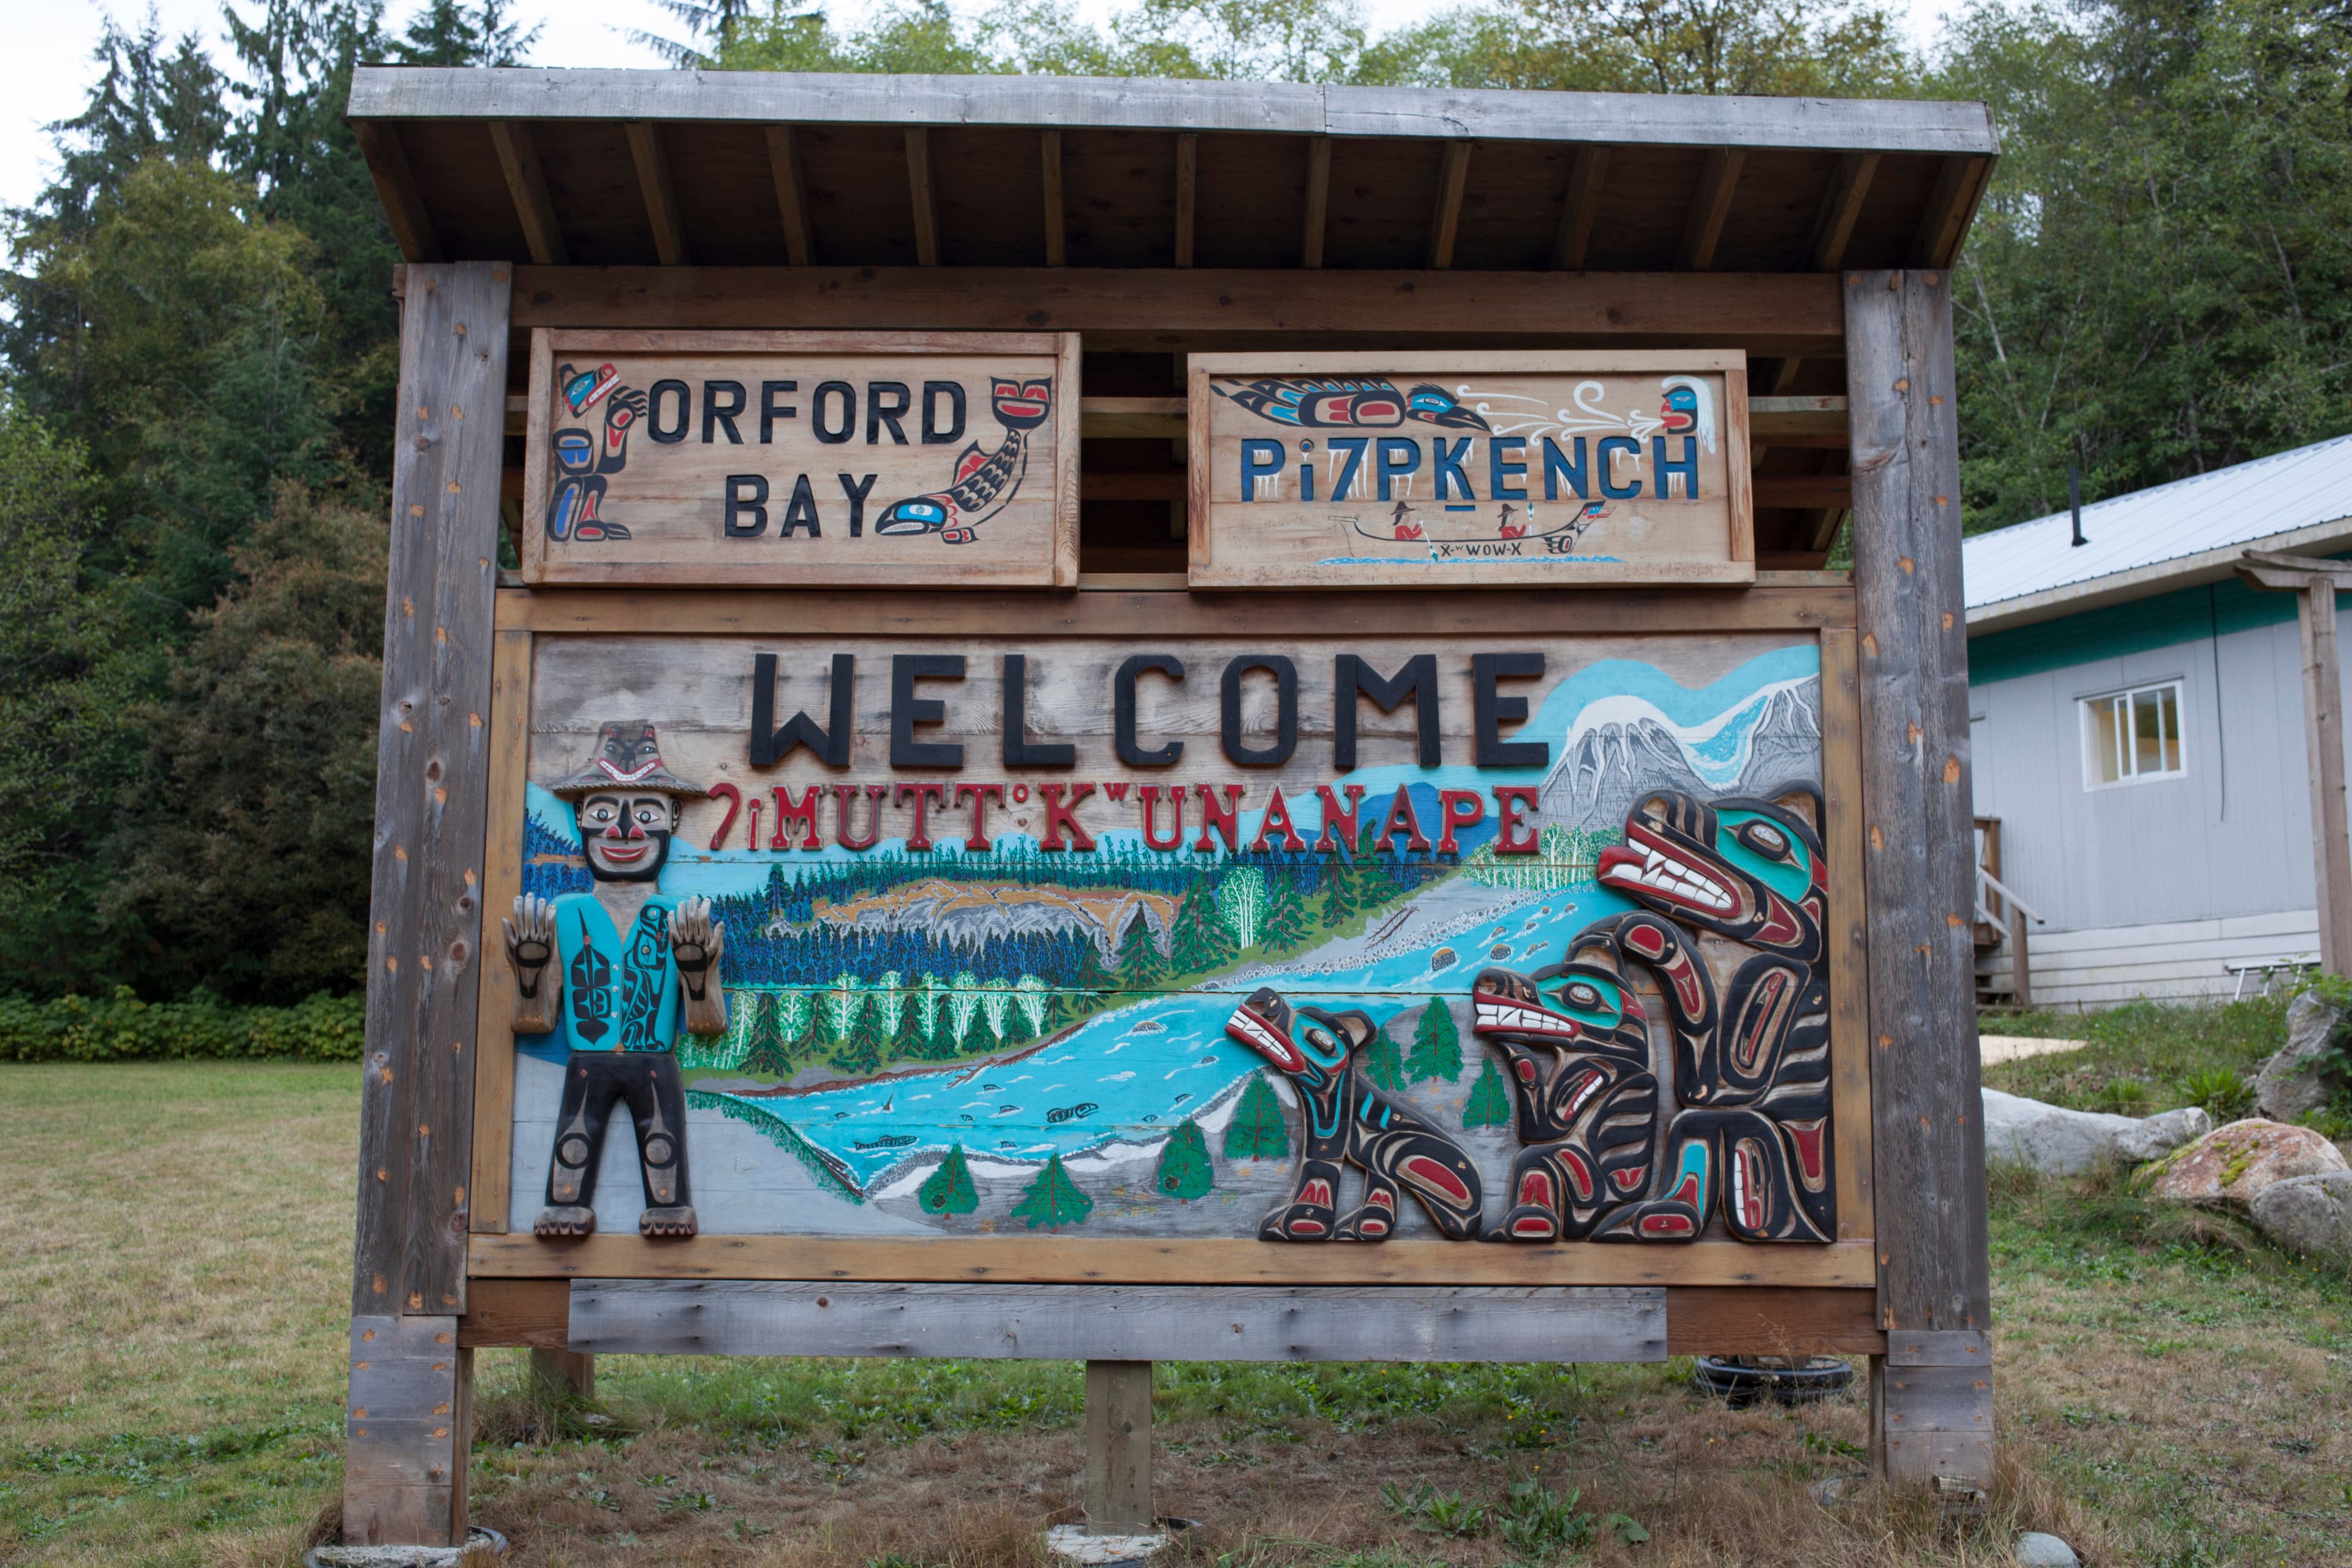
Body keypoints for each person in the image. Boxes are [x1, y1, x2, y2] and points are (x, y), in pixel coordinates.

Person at [503, 720, 726, 1238]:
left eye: (645, 813)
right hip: (589, 1058)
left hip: (655, 1058)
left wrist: (697, 972)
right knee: (575, 1139)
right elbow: (532, 1020)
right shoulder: (565, 914)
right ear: (580, 817)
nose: (624, 831)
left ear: (672, 818)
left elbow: (708, 1022)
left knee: (662, 1141)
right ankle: (565, 1205)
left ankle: (670, 1207)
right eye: (604, 812)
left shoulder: (680, 917)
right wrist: (531, 973)